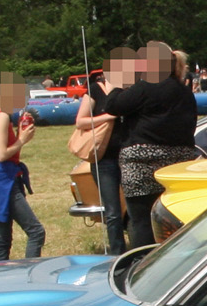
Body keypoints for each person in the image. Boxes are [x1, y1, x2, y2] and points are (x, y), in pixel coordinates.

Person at [104, 41, 200, 248]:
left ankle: (142, 262)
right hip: (178, 163)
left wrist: (115, 86)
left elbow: (113, 106)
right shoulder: (184, 91)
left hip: (142, 162)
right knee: (172, 217)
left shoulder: (147, 86)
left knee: (141, 221)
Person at [0, 72, 46, 261]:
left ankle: (0, 280)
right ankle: (29, 273)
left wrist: (19, 131)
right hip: (4, 180)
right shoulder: (2, 117)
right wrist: (22, 140)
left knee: (3, 240)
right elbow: (2, 154)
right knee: (36, 232)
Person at [78, 49, 133, 254]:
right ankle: (116, 253)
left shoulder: (131, 91)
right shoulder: (96, 89)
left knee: (133, 209)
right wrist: (108, 116)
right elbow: (81, 121)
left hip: (128, 157)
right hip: (104, 159)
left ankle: (137, 249)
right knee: (113, 211)